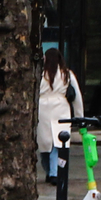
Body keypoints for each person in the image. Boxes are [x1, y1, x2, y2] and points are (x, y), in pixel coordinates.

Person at [36, 47, 82, 180]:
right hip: (61, 109)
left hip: (43, 109)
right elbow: (77, 97)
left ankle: (49, 171)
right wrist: (79, 117)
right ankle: (54, 173)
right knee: (59, 142)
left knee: (45, 144)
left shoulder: (40, 74)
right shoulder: (67, 74)